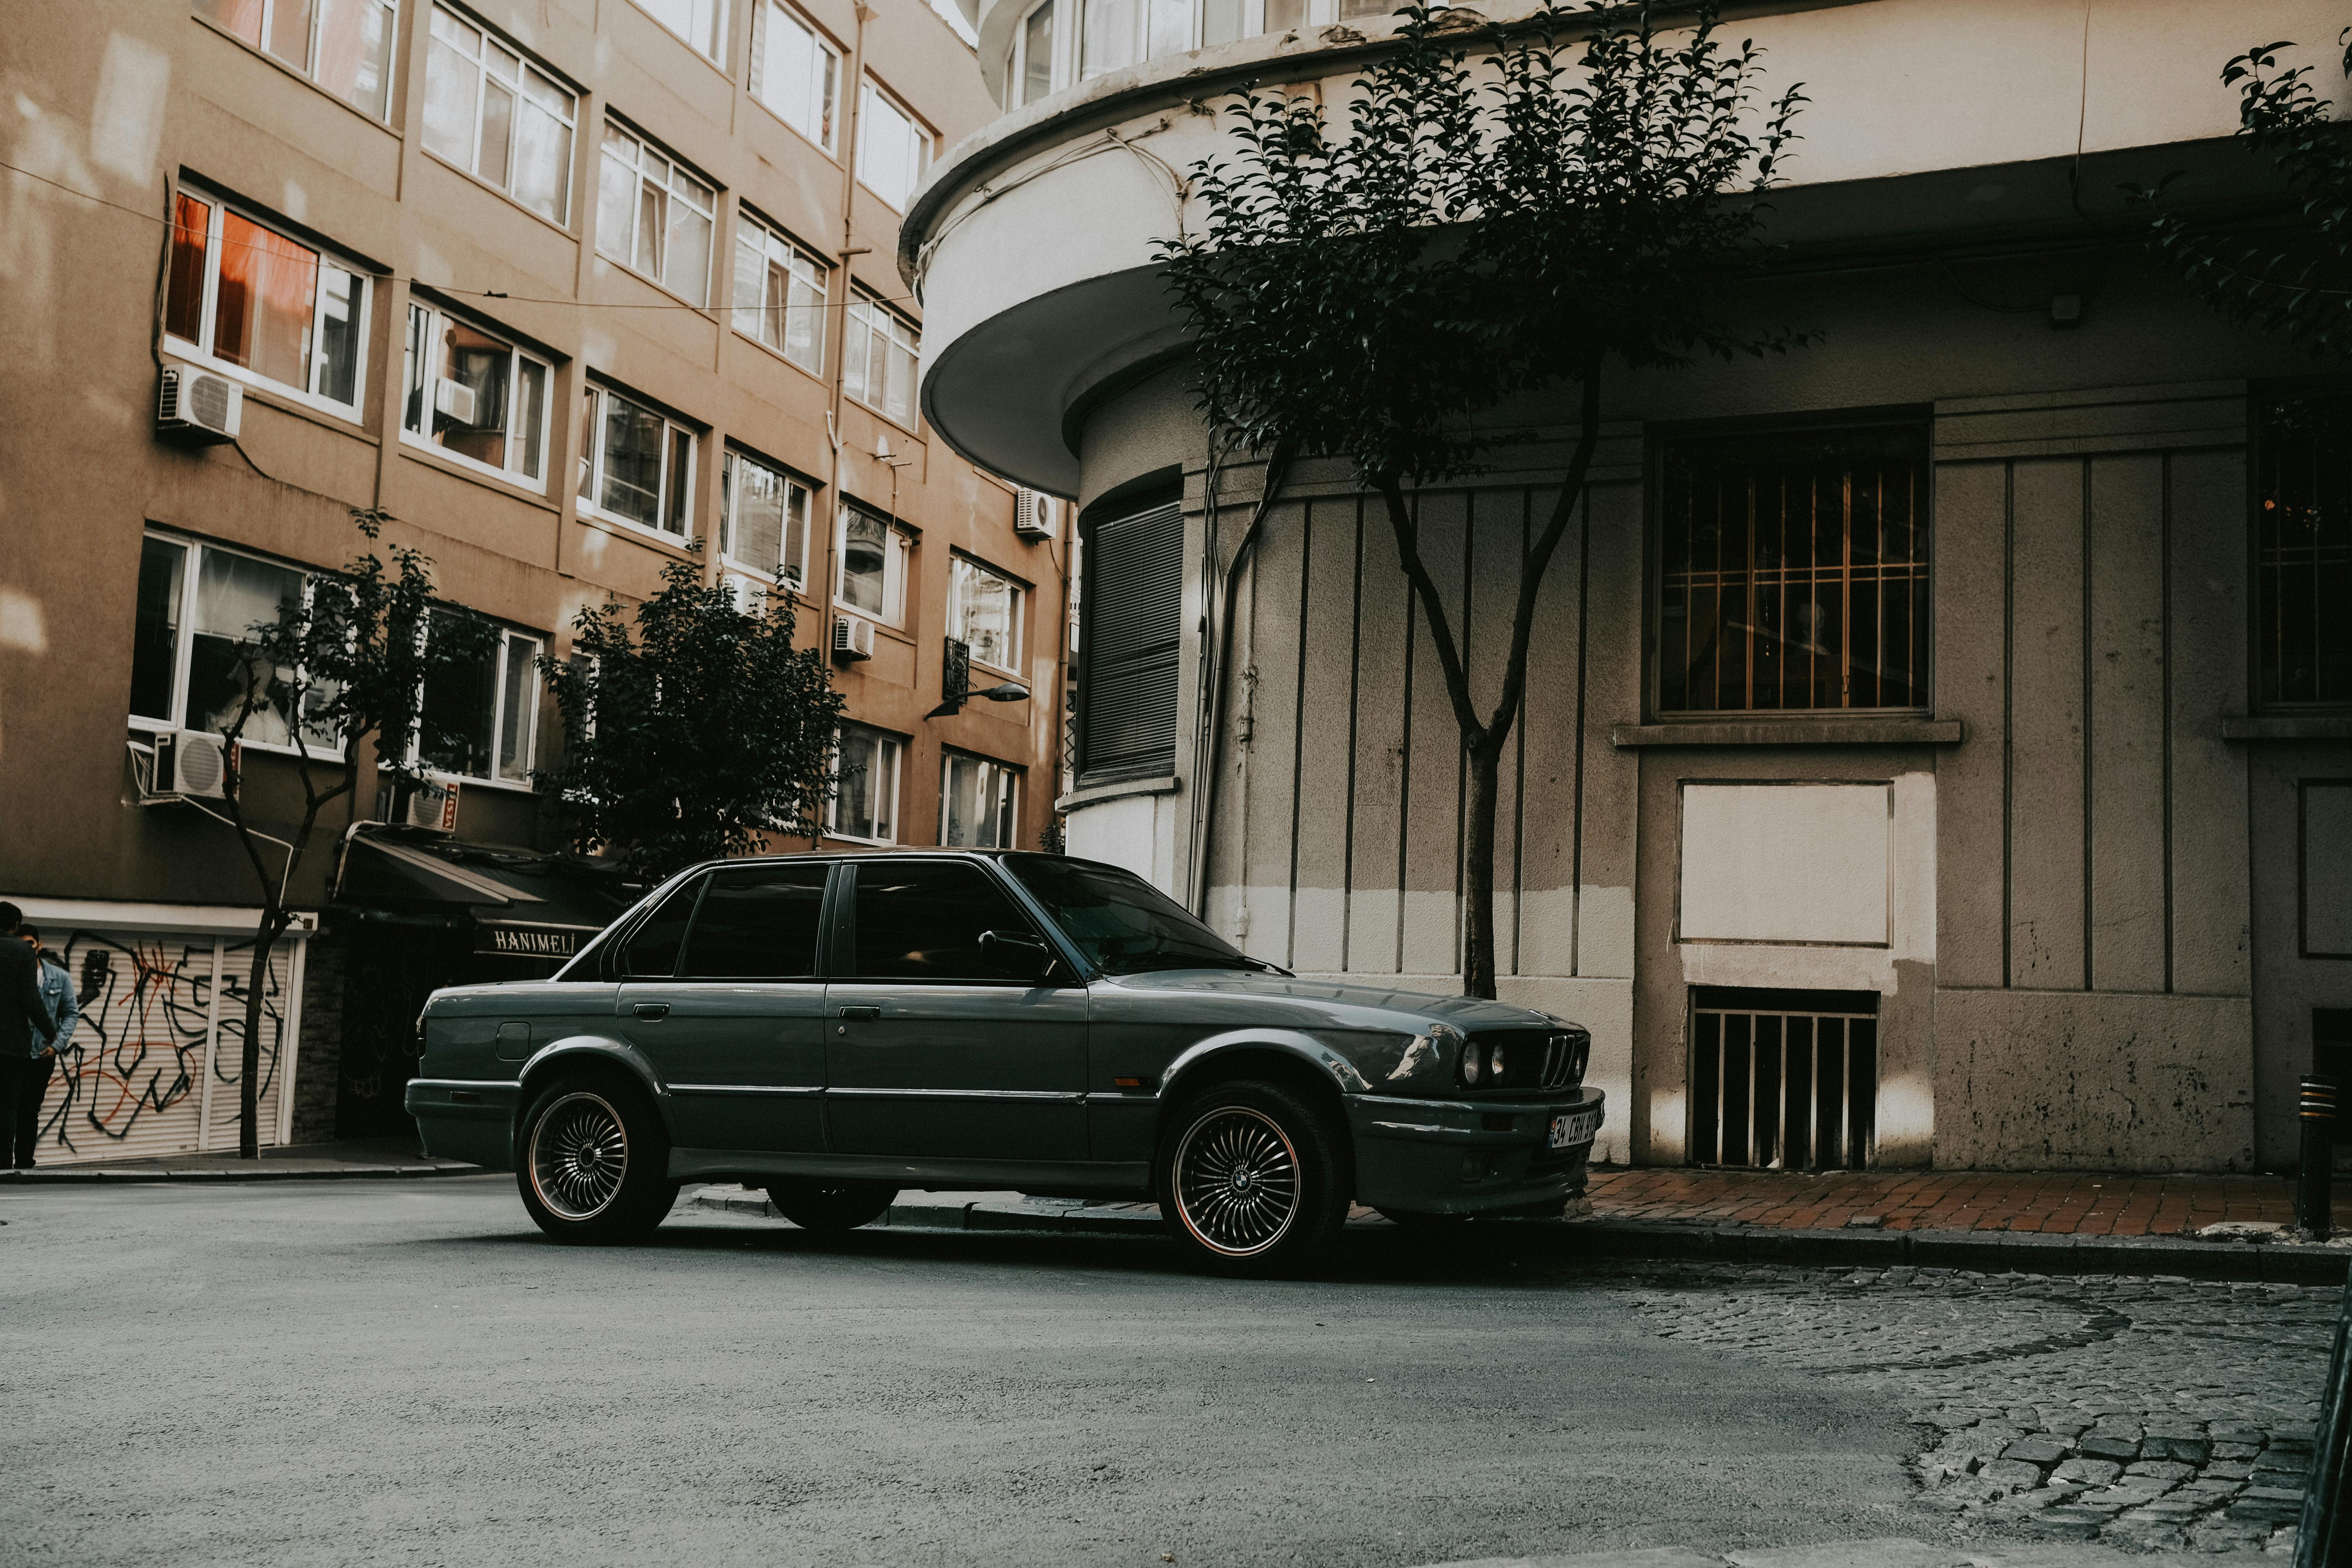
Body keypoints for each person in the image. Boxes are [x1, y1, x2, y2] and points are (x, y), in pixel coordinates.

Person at [0, 903, 58, 1170]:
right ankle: (3, 1164)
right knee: (8, 1106)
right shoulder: (22, 951)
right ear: (15, 926)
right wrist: (50, 1033)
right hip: (12, 1045)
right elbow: (31, 999)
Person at [15, 923, 75, 1168]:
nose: (27, 949)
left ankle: (24, 1164)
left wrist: (57, 1045)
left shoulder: (59, 977)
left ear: (39, 945)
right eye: (21, 944)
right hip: (13, 1053)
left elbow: (71, 1013)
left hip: (42, 1056)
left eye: (30, 943)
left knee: (29, 1111)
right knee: (8, 1109)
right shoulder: (12, 974)